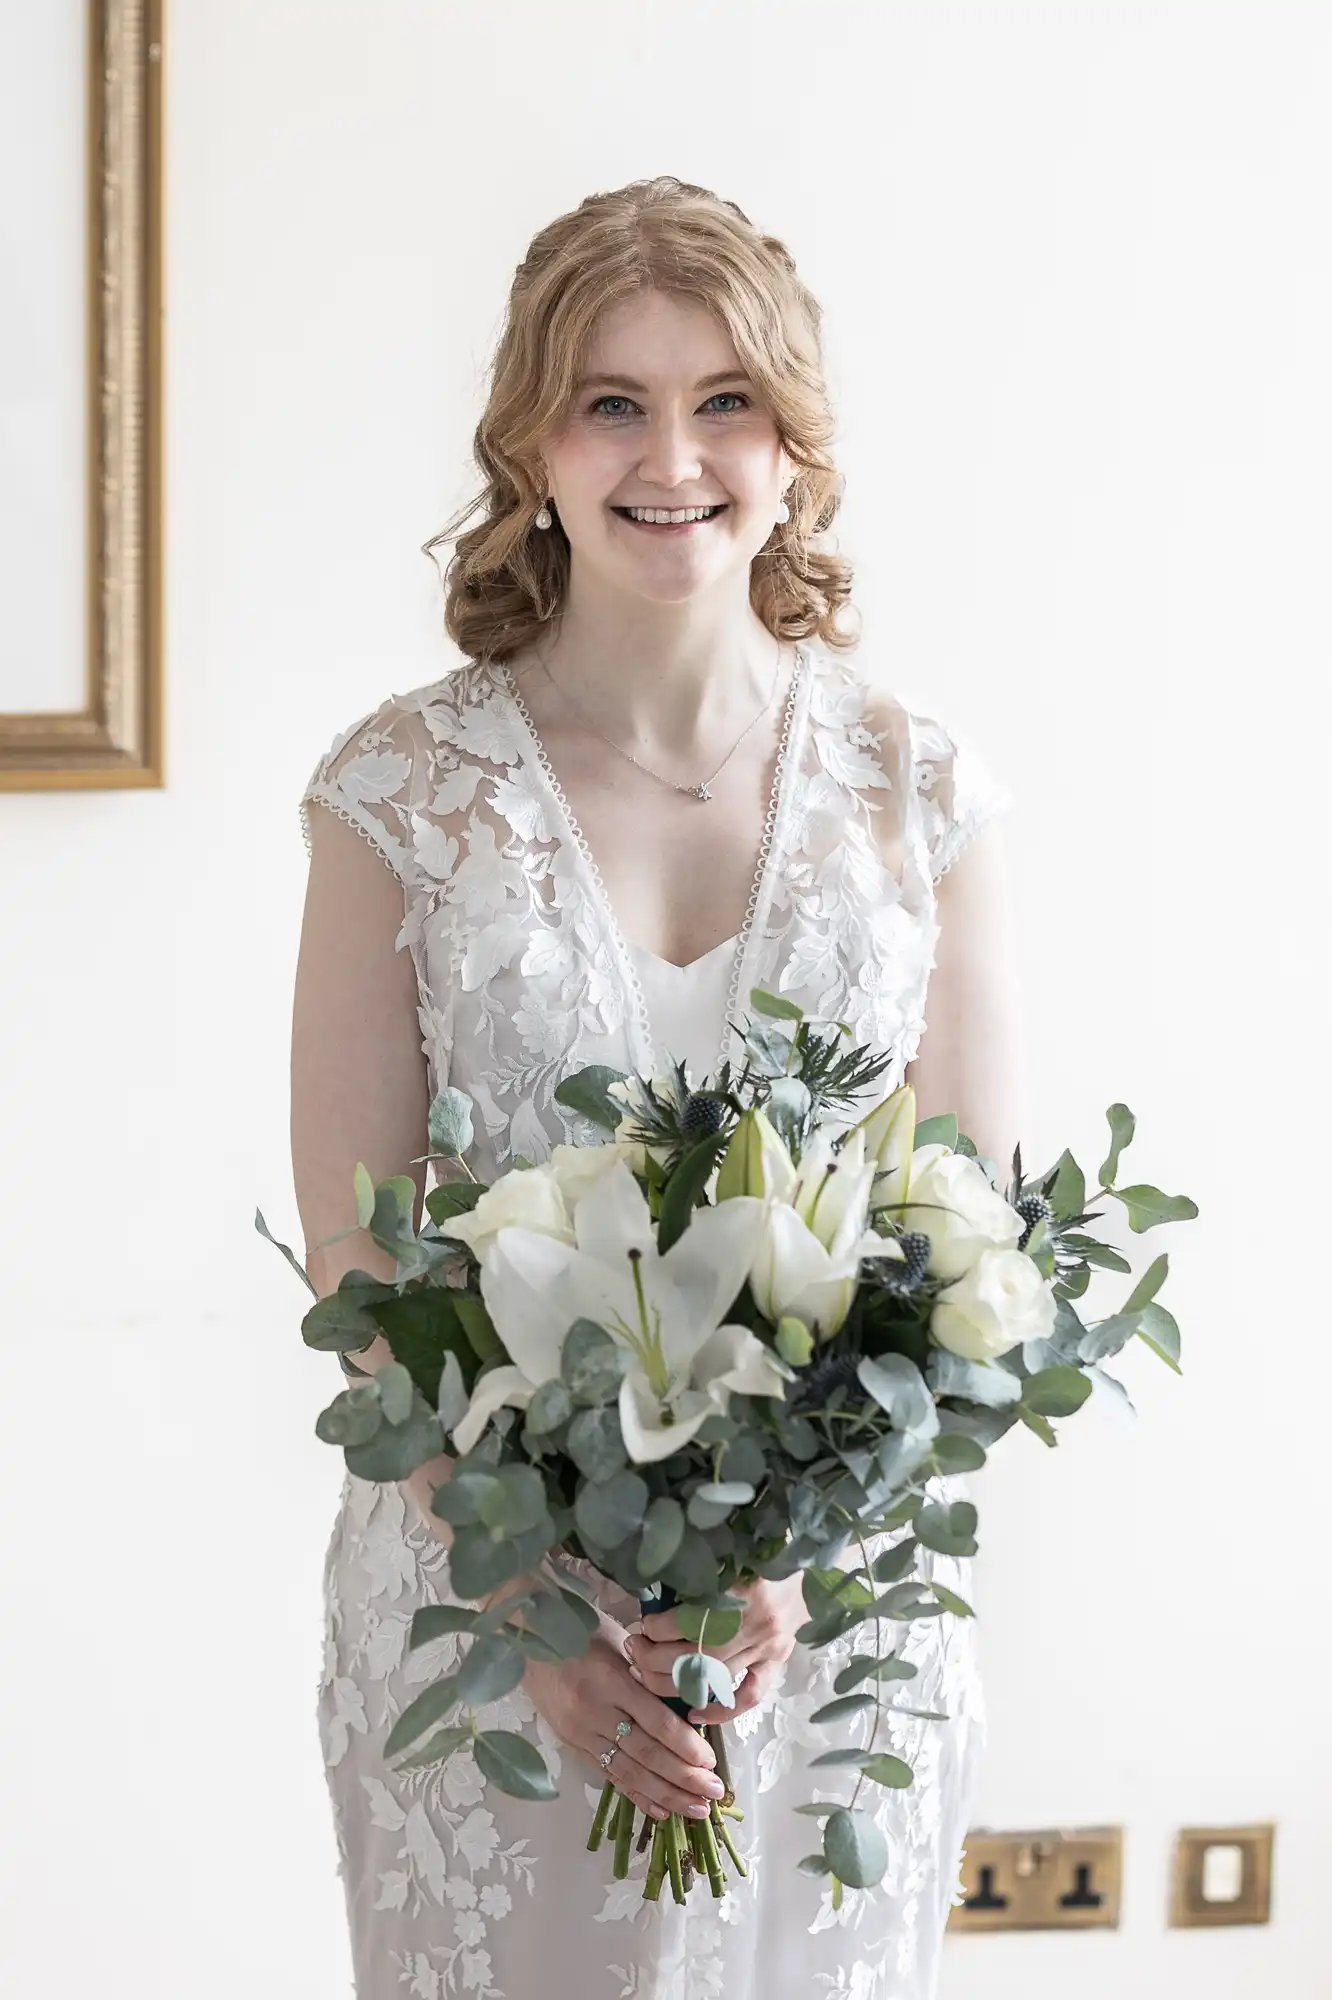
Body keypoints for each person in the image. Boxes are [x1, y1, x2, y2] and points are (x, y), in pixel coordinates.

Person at [291, 174, 1025, 2000]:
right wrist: (525, 1588)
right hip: (495, 1625)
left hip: (832, 1635)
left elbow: (970, 1225)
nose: (671, 455)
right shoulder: (401, 794)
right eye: (612, 400)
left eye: (725, 403)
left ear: (796, 449)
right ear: (529, 443)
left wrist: (801, 1557)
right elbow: (353, 1250)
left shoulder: (917, 789)